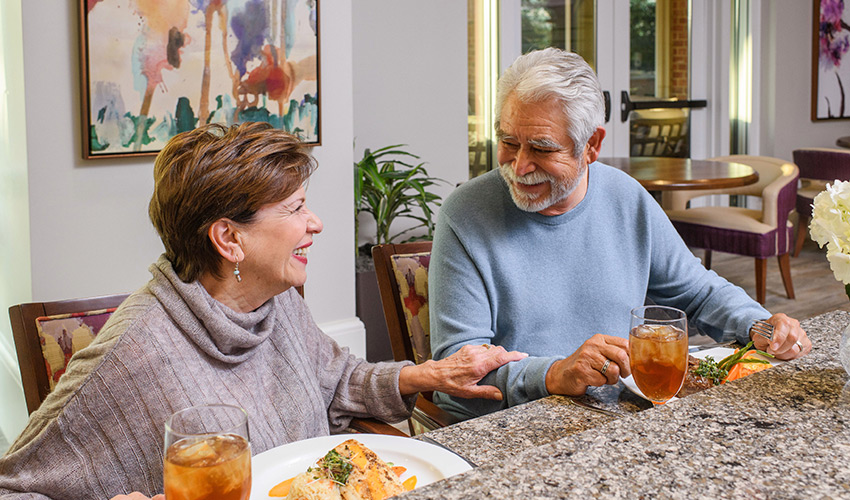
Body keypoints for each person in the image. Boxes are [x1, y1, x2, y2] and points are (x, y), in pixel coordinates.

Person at [0, 122, 526, 500]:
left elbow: (336, 378)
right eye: (296, 209)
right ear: (229, 239)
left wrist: (426, 374)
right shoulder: (133, 352)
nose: (315, 222)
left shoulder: (273, 302)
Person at [428, 47, 811, 420]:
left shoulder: (626, 197)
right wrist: (555, 374)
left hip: (613, 412)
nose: (521, 165)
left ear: (592, 145)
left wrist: (760, 326)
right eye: (509, 143)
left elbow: (697, 292)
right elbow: (458, 365)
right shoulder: (464, 215)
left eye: (542, 149)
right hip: (502, 425)